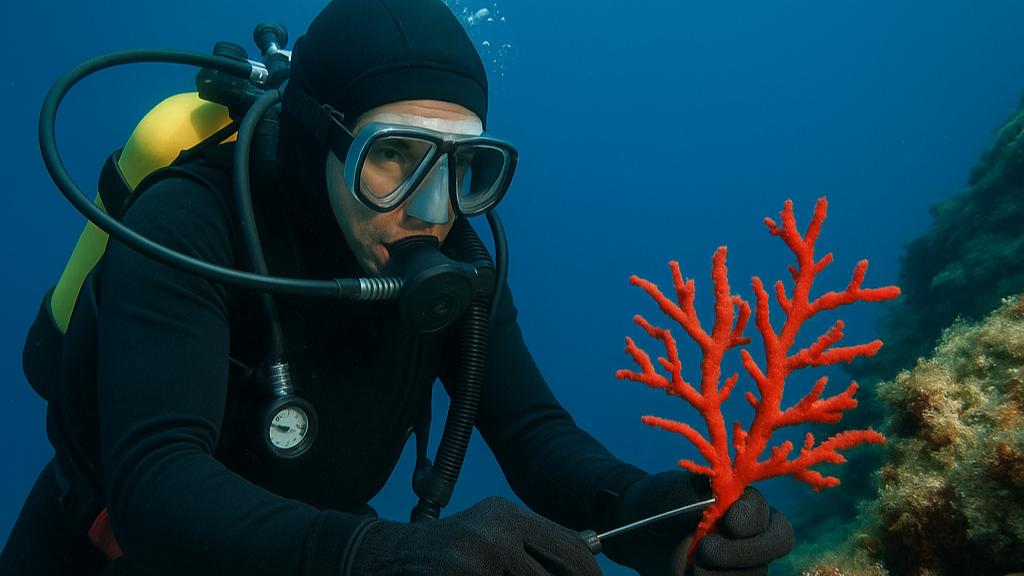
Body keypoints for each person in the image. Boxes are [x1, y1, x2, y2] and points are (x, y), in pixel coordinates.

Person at [1, 0, 794, 574]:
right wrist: (377, 549)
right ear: (322, 136)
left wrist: (638, 509)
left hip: (327, 553)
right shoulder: (190, 224)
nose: (431, 205)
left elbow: (532, 430)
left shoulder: (456, 254)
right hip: (96, 548)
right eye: (395, 155)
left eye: (464, 166)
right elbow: (155, 483)